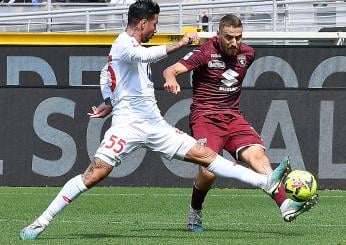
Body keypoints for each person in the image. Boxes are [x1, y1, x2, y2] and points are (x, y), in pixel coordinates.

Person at [20, 2, 290, 240]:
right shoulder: (125, 44)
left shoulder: (130, 47)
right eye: (155, 24)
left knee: (206, 157)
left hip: (155, 125)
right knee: (95, 174)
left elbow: (108, 75)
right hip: (127, 126)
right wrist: (181, 43)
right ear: (143, 23)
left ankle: (264, 182)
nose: (155, 29)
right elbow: (145, 57)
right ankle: (41, 222)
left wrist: (107, 101)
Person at [163, 14, 319, 233]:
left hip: (233, 117)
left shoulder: (248, 53)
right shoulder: (204, 52)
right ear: (218, 35)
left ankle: (285, 204)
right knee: (208, 172)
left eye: (238, 37)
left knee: (258, 157)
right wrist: (171, 79)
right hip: (206, 117)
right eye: (229, 37)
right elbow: (170, 70)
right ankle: (195, 211)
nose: (234, 42)